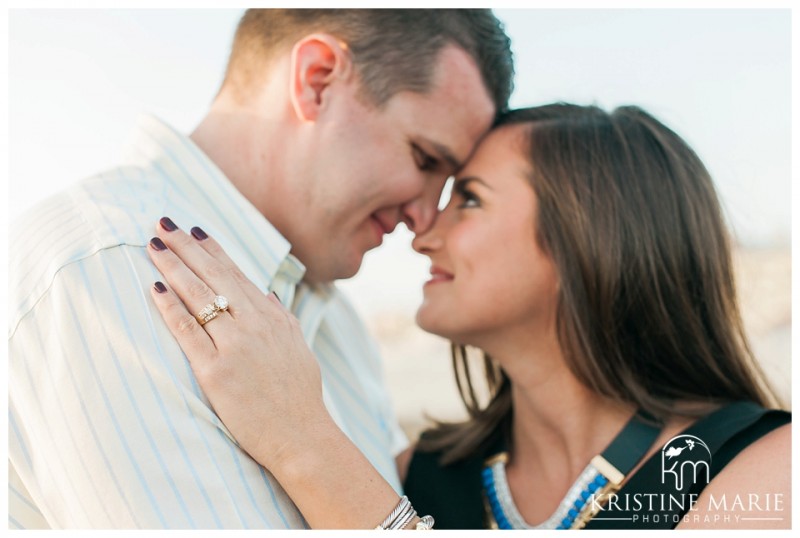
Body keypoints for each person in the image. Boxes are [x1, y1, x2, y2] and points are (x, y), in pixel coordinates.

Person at [145, 103, 791, 530]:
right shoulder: (415, 479)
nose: (422, 233)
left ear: (590, 238)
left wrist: (305, 445)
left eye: (470, 200)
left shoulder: (761, 470)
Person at [7, 9, 514, 529]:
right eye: (426, 159)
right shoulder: (110, 274)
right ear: (317, 81)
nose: (424, 218)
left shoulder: (339, 325)